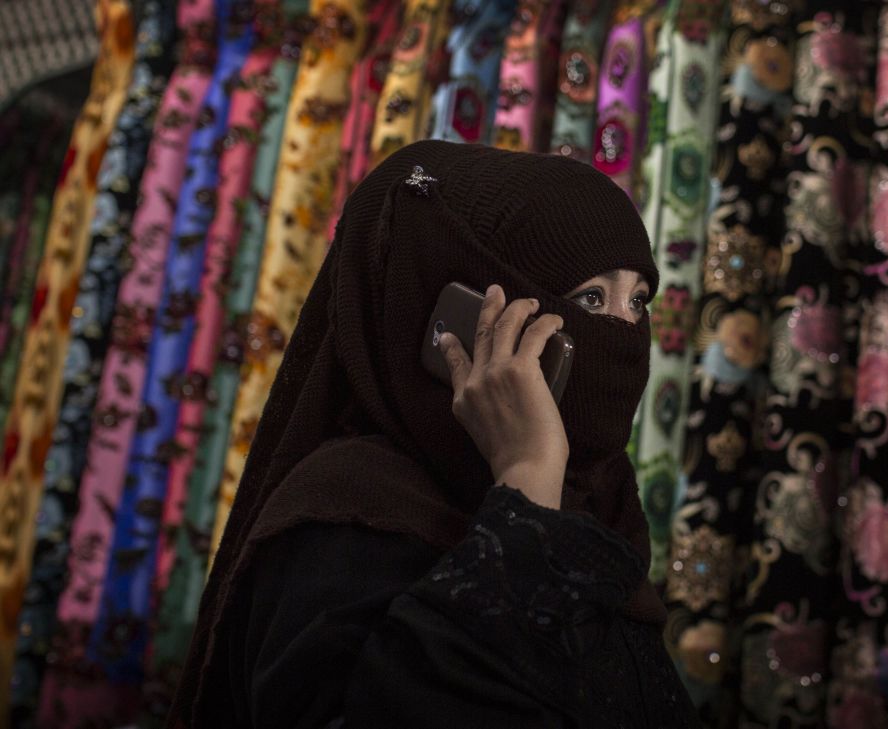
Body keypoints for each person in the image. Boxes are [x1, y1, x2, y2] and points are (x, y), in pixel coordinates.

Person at [169, 140, 698, 728]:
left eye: (638, 301)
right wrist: (526, 483)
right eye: (591, 298)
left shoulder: (604, 508)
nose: (625, 332)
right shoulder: (351, 515)